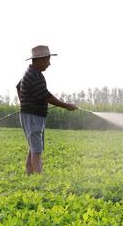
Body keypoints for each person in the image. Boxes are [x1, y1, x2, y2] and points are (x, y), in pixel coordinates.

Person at [16, 45, 77, 175]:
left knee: (33, 148)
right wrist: (66, 105)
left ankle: (29, 175)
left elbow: (18, 86)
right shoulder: (33, 75)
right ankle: (39, 179)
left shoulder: (32, 72)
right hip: (32, 116)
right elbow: (46, 96)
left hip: (33, 115)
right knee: (36, 150)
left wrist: (25, 104)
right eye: (47, 60)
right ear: (38, 60)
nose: (49, 64)